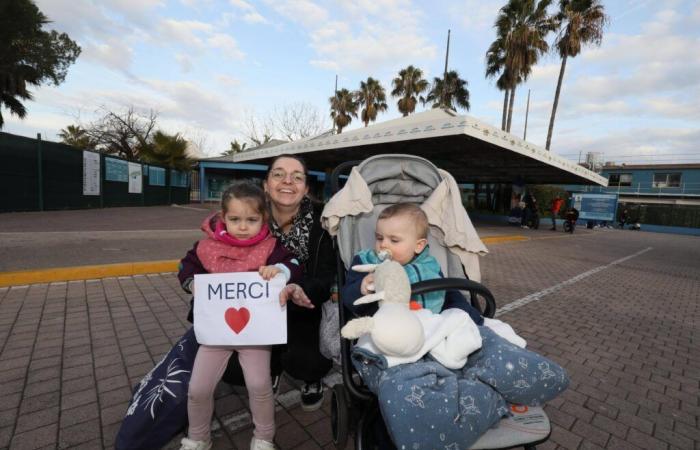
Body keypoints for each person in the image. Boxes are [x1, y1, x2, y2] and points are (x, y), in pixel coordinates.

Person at [342, 203, 569, 449]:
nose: (383, 245)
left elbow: (451, 297)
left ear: (419, 245)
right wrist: (362, 286)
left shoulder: (429, 266)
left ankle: (519, 375)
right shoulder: (366, 263)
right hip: (397, 342)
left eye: (394, 240)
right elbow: (350, 299)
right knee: (403, 391)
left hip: (438, 331)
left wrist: (477, 322)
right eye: (379, 238)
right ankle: (483, 400)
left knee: (484, 344)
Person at [193, 154, 337, 412]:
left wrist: (302, 289)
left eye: (297, 176)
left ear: (305, 188)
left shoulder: (325, 222)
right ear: (266, 184)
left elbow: (328, 275)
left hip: (301, 305)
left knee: (306, 360)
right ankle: (271, 369)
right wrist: (198, 291)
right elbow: (206, 260)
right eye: (278, 174)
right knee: (234, 368)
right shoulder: (245, 215)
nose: (287, 181)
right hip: (252, 309)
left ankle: (309, 377)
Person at [178, 181, 304, 450]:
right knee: (198, 388)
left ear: (264, 219)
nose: (243, 226)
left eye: (251, 219)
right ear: (222, 218)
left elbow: (294, 263)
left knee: (259, 385)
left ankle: (264, 437)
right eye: (235, 219)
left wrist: (280, 270)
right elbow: (185, 266)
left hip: (256, 333)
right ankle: (198, 438)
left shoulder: (272, 248)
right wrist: (191, 282)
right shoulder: (205, 248)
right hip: (215, 333)